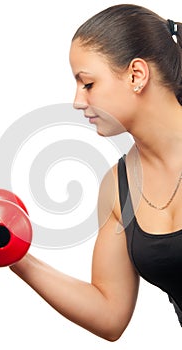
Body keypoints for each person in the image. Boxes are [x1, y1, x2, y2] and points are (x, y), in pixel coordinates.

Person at [10, 4, 182, 341]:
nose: (77, 101)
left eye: (87, 84)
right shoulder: (119, 188)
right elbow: (110, 313)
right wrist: (17, 257)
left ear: (136, 75)